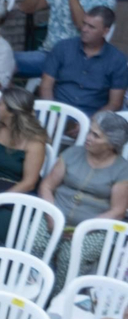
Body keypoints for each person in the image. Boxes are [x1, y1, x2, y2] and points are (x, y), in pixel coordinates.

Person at [38, 111, 128, 280]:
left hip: (93, 230)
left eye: (96, 135)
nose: (88, 137)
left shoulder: (123, 170)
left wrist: (84, 229)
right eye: (89, 132)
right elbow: (47, 186)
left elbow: (118, 211)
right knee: (35, 245)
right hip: (53, 217)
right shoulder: (72, 153)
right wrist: (52, 217)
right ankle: (31, 289)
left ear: (111, 144)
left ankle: (59, 296)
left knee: (71, 259)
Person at [14, 0, 113, 78]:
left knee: (3, 61)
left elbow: (82, 25)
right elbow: (26, 8)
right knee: (1, 58)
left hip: (76, 61)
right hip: (47, 53)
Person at [0, 87, 49, 246]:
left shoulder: (34, 142)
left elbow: (29, 182)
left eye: (0, 104)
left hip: (14, 194)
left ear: (12, 112)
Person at [41, 8, 127, 117]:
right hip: (57, 110)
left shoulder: (117, 60)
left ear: (105, 32)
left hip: (91, 115)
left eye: (91, 27)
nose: (84, 29)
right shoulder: (63, 47)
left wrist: (91, 122)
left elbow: (115, 103)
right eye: (84, 24)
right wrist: (53, 113)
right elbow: (46, 86)